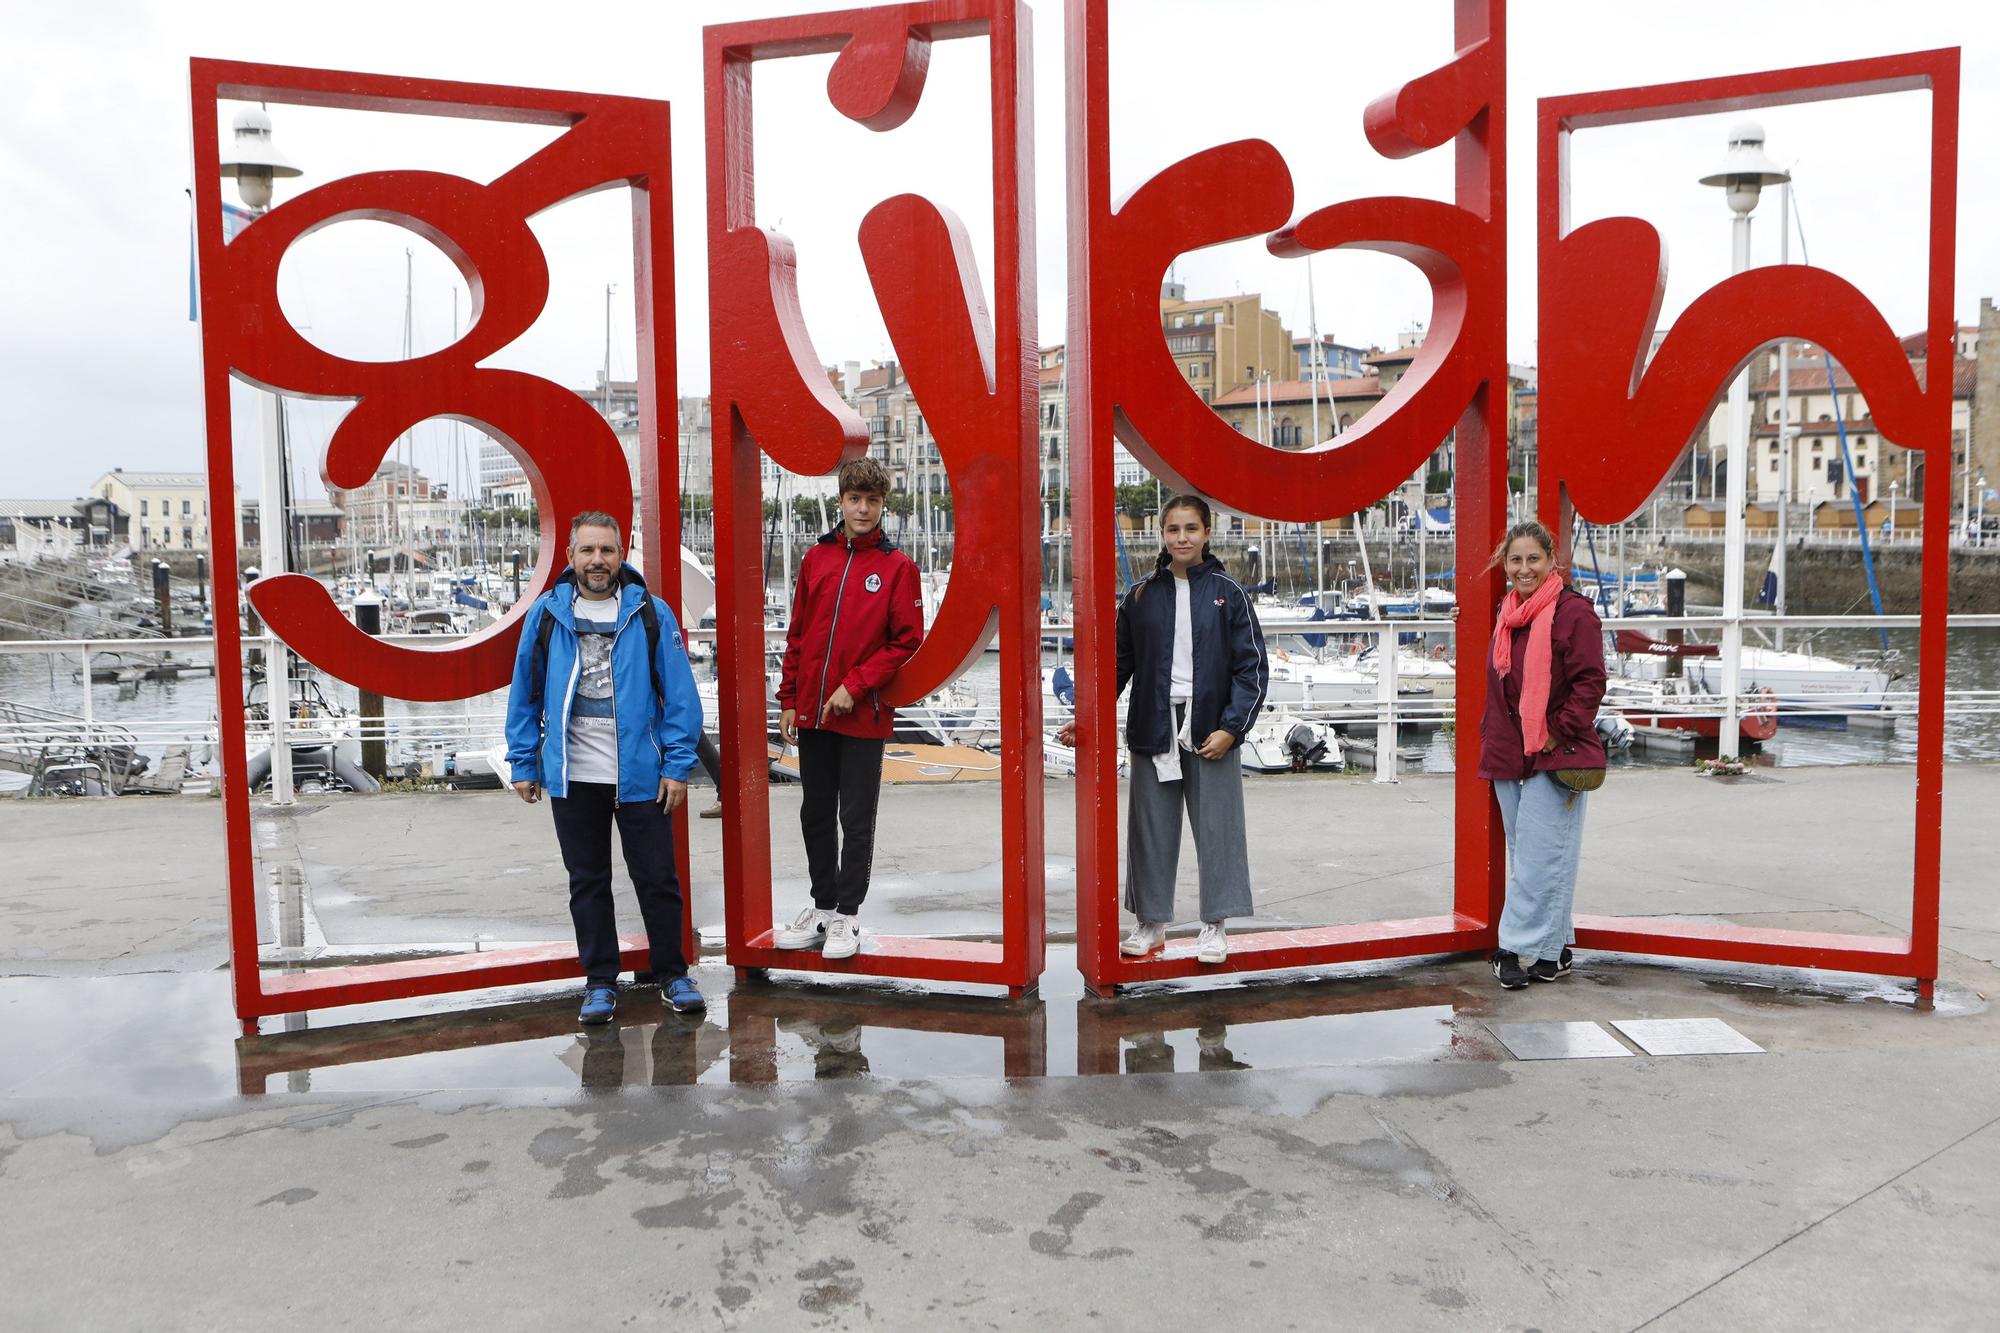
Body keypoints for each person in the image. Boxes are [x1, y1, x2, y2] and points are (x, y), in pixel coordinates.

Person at [505, 511, 707, 1024]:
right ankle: (599, 981)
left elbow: (681, 698)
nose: (598, 561)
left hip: (640, 774)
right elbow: (524, 694)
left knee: (658, 878)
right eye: (588, 551)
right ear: (571, 556)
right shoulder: (547, 615)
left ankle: (673, 973)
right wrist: (524, 761)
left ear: (623, 554)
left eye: (608, 551)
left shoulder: (650, 614)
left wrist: (678, 766)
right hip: (574, 776)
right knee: (587, 881)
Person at [1059, 493, 1268, 964]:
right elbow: (1118, 666)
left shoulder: (1228, 594)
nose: (1182, 538)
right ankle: (1150, 923)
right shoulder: (1140, 597)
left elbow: (1251, 667)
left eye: (1191, 528)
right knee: (1150, 829)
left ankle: (1214, 927)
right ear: (1162, 535)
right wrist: (1088, 715)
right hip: (1154, 723)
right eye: (1173, 529)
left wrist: (1232, 728)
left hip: (1211, 727)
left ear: (1207, 532)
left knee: (1219, 828)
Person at [770, 457, 924, 960]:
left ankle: (848, 918)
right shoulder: (816, 560)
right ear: (840, 501)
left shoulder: (899, 568)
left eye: (873, 501)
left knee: (856, 818)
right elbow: (798, 634)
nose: (863, 508)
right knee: (815, 813)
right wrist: (789, 698)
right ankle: (821, 908)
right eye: (855, 499)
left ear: (884, 506)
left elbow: (906, 641)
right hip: (813, 714)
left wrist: (854, 687)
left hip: (862, 715)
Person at [1476, 518, 1607, 990]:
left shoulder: (1574, 613)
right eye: (1516, 559)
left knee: (1539, 856)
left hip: (1558, 752)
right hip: (1510, 752)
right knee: (1535, 854)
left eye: (1534, 558)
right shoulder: (1506, 612)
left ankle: (1510, 948)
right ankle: (1555, 950)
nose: (1524, 568)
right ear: (1505, 564)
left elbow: (1591, 683)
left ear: (1552, 561)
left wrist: (1556, 731)